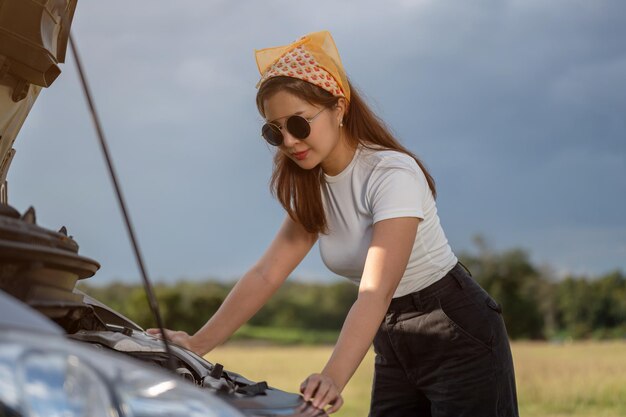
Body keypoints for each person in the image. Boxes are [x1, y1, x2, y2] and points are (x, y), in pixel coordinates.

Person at [147, 30, 519, 416]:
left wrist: (332, 378)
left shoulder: (391, 173)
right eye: (275, 131)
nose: (289, 141)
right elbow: (266, 274)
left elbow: (375, 290)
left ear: (339, 108)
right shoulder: (314, 186)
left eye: (300, 123)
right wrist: (198, 342)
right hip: (391, 334)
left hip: (454, 329)